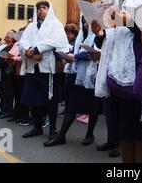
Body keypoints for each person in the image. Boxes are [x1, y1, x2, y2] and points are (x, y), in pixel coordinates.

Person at [91, 0, 142, 163]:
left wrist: (128, 20)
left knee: (141, 137)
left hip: (138, 79)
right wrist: (100, 34)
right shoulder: (114, 3)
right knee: (123, 136)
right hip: (117, 80)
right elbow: (111, 43)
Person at [44, 16, 102, 147]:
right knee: (72, 106)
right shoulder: (81, 35)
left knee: (93, 107)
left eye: (89, 20)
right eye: (84, 20)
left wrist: (75, 56)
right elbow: (75, 50)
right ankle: (61, 136)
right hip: (76, 73)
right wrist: (66, 53)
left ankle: (89, 134)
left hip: (91, 75)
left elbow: (94, 53)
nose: (87, 23)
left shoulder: (98, 35)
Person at [20, 1, 70, 140]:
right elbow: (23, 42)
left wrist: (36, 49)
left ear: (49, 10)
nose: (40, 10)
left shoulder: (56, 25)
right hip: (33, 67)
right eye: (38, 8)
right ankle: (37, 127)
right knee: (33, 99)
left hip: (48, 67)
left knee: (51, 100)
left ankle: (53, 129)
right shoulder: (30, 26)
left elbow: (56, 42)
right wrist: (27, 51)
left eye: (44, 8)